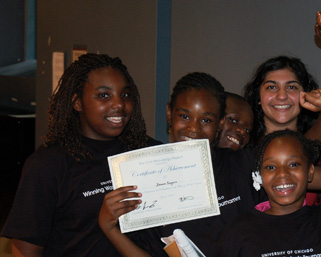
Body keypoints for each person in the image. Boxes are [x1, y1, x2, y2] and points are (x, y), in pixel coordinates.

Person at [0, 53, 158, 257]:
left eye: (125, 94)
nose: (119, 104)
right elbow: (25, 251)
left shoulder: (148, 154)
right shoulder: (47, 165)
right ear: (77, 102)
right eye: (104, 95)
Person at [99, 72, 261, 257]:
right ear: (169, 114)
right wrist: (109, 227)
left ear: (220, 124)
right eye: (184, 116)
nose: (194, 128)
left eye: (206, 120)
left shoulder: (241, 165)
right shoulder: (144, 176)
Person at [217, 86, 321, 256]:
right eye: (270, 167)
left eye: (293, 165)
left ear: (310, 171)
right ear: (259, 175)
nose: (282, 174)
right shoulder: (238, 232)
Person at [242, 56, 321, 203]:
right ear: (258, 96)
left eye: (292, 87)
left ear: (305, 95)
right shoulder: (244, 147)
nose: (282, 96)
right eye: (271, 87)